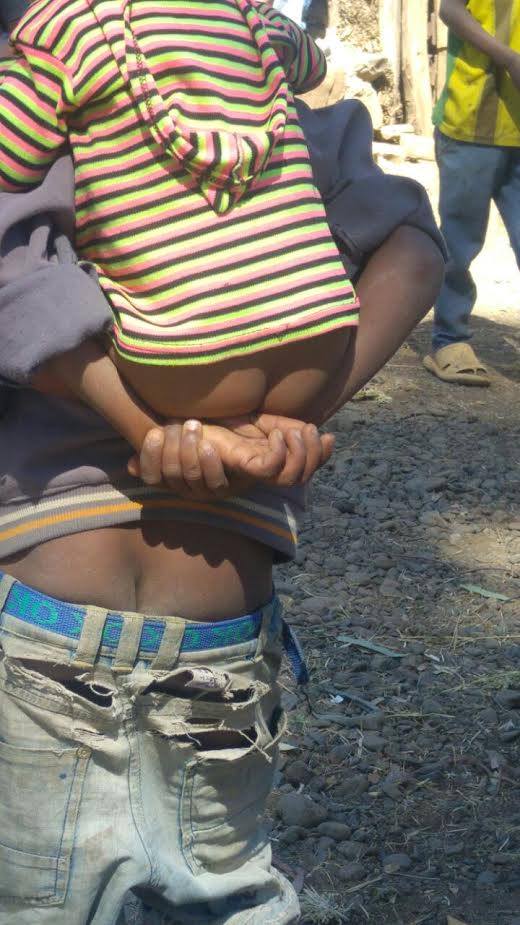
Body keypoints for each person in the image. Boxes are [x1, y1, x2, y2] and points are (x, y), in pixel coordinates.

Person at [0, 3, 445, 922]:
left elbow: (18, 283)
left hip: (49, 618)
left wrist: (145, 427)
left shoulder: (48, 75)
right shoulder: (262, 93)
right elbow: (410, 242)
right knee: (223, 895)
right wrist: (294, 416)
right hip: (221, 637)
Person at [423, 0, 520, 387]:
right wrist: (508, 58)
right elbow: (450, 9)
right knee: (459, 243)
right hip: (471, 127)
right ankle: (449, 339)